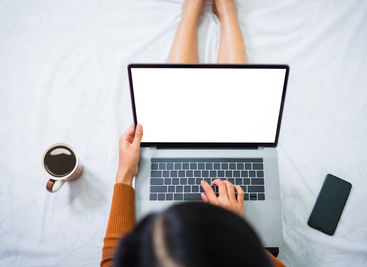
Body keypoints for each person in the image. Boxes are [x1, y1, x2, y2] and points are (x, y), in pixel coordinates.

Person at [101, 1, 285, 266]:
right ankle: (226, 13)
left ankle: (190, 14)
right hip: (235, 242)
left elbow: (111, 258)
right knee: (235, 109)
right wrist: (232, 227)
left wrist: (125, 174)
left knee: (177, 108)